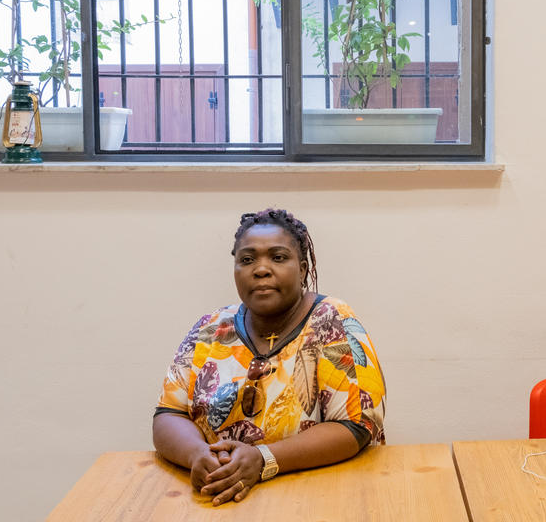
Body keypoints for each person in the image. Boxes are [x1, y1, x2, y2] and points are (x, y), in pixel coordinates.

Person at [153, 209, 386, 506]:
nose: (260, 269)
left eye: (277, 257)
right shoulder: (210, 328)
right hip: (219, 499)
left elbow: (357, 426)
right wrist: (198, 455)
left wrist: (263, 460)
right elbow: (168, 414)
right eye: (247, 260)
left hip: (322, 497)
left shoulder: (333, 322)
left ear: (302, 269)